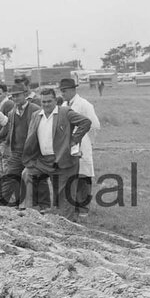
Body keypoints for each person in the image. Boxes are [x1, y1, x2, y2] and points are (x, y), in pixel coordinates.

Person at [21, 88, 92, 219]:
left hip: (63, 159)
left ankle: (68, 223)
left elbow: (85, 122)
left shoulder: (65, 112)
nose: (46, 104)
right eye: (43, 102)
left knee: (64, 195)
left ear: (55, 100)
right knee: (27, 174)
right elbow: (32, 136)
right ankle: (28, 213)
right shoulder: (36, 115)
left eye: (49, 101)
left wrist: (74, 140)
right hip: (43, 160)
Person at [58, 77, 101, 219]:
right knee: (71, 176)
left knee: (84, 175)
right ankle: (73, 206)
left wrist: (88, 142)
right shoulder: (63, 105)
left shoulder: (84, 105)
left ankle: (83, 208)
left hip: (83, 142)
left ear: (72, 90)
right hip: (68, 146)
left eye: (64, 91)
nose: (62, 93)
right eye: (61, 91)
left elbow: (95, 125)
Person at [0, 83, 42, 207]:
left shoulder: (35, 109)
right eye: (13, 96)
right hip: (16, 151)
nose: (15, 99)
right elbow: (8, 129)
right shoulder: (12, 113)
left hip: (32, 152)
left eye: (18, 95)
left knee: (32, 179)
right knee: (10, 176)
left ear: (25, 95)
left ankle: (36, 206)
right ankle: (1, 203)